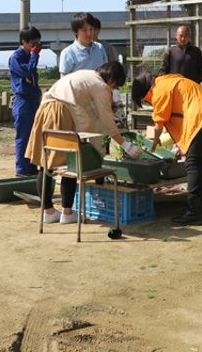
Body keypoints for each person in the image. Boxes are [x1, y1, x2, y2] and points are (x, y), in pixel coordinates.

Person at [25, 62, 142, 224]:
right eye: (115, 85)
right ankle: (67, 212)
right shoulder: (100, 85)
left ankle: (48, 212)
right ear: (112, 79)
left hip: (44, 111)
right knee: (70, 164)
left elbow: (91, 110)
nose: (113, 89)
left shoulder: (86, 74)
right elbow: (107, 119)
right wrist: (125, 145)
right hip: (61, 114)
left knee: (45, 164)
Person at [131, 71, 202, 225]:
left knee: (192, 163)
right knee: (198, 161)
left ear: (144, 90)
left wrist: (155, 141)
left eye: (144, 99)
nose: (148, 102)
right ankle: (198, 206)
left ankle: (194, 210)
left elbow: (159, 121)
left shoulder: (160, 88)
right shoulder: (170, 82)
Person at [9, 25, 42, 178]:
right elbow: (28, 70)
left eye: (37, 43)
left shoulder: (29, 56)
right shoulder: (16, 57)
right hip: (23, 101)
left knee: (34, 135)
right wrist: (35, 55)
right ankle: (22, 169)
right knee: (23, 135)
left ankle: (32, 166)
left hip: (33, 100)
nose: (36, 46)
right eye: (33, 43)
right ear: (24, 41)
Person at [59, 12, 107, 76]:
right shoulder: (68, 53)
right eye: (84, 30)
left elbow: (106, 73)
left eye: (91, 29)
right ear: (75, 31)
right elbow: (64, 79)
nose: (89, 33)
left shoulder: (100, 47)